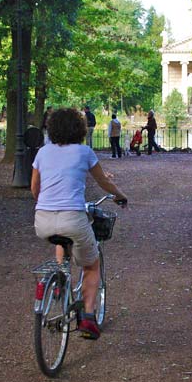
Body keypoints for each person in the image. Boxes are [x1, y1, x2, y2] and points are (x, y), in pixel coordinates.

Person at [31, 108, 128, 340]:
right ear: (80, 129)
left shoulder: (43, 152)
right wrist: (120, 195)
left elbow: (35, 187)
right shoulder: (84, 152)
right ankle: (87, 317)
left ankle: (60, 280)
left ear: (52, 128)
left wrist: (46, 202)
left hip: (42, 219)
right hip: (72, 217)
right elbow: (103, 181)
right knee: (91, 266)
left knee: (59, 236)